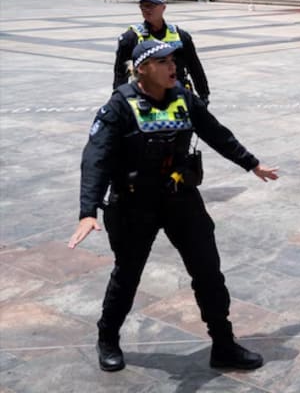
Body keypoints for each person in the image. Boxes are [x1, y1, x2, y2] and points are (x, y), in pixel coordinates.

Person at [70, 40, 279, 372]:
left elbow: (216, 133)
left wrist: (251, 163)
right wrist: (87, 211)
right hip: (133, 204)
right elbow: (95, 158)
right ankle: (107, 337)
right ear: (142, 68)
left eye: (174, 61)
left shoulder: (183, 97)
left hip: (180, 197)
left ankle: (223, 344)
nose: (173, 67)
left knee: (208, 270)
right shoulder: (119, 107)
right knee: (127, 275)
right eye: (163, 62)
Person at [113, 0, 210, 102]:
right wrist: (118, 99)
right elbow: (120, 73)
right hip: (146, 96)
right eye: (143, 7)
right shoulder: (130, 38)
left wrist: (204, 95)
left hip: (178, 94)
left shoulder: (180, 35)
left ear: (163, 7)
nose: (147, 10)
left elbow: (194, 67)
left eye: (151, 6)